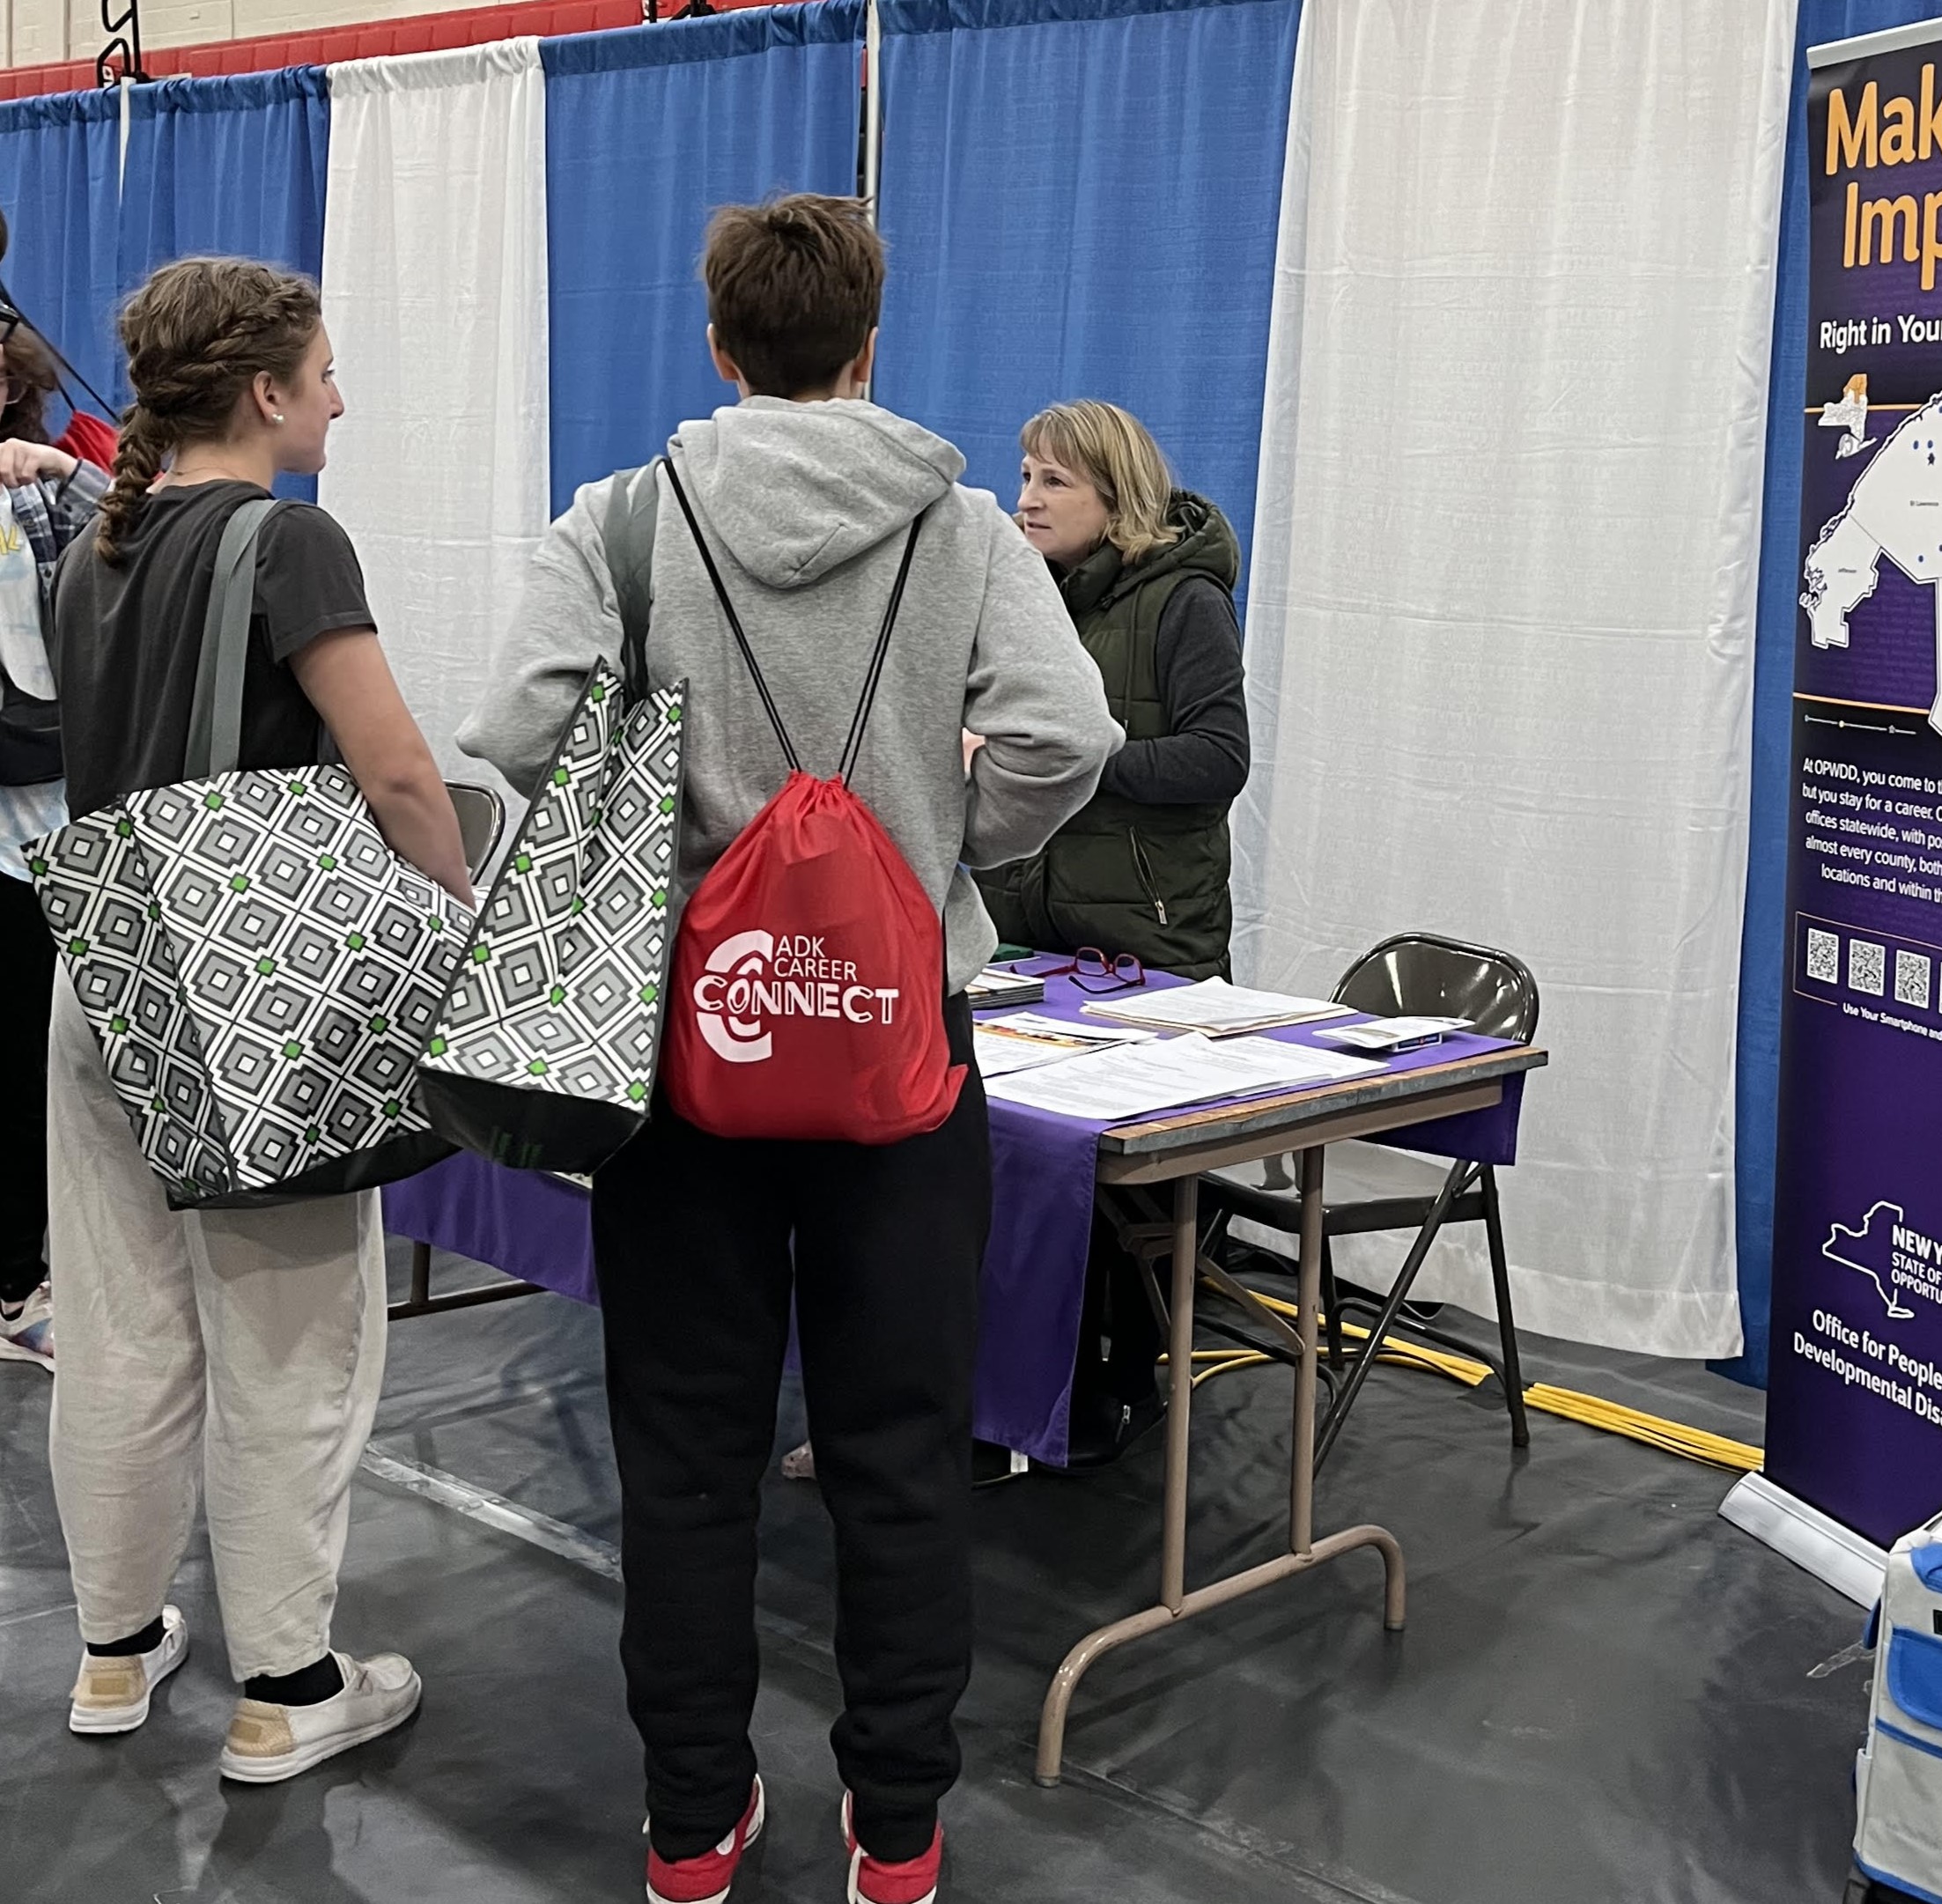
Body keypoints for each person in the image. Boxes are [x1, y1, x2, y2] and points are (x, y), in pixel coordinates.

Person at [460, 195, 1116, 1904]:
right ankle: (894, 1830)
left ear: (719, 344)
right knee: (900, 1447)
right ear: (869, 345)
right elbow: (1072, 733)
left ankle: (691, 1827)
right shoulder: (963, 529)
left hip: (686, 1057)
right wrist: (947, 854)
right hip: (905, 1054)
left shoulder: (621, 522)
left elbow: (507, 738)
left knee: (685, 1454)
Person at [44, 256, 469, 1779]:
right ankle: (288, 1682)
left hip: (102, 965)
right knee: (290, 1340)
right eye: (328, 373)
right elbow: (399, 773)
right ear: (268, 391)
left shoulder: (97, 544)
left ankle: (113, 1651)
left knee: (117, 1321)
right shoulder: (291, 542)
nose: (343, 398)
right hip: (259, 987)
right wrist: (469, 908)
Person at [974, 399, 1249, 980]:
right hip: (1017, 943)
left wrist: (1069, 760)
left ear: (1115, 494)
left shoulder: (1187, 600)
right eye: (1026, 477)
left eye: (1054, 481)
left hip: (1149, 953)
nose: (1026, 501)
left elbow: (1219, 758)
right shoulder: (1017, 600)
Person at [0, 323, 112, 1370]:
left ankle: (23, 1280)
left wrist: (66, 466)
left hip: (39, 821)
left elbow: (143, 527)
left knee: (32, 1062)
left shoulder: (38, 484)